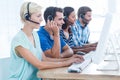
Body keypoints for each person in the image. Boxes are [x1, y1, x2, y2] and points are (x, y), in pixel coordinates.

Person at [8, 2, 84, 80]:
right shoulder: (19, 40)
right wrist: (66, 63)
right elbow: (39, 64)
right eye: (38, 16)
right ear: (27, 17)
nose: (41, 19)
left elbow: (44, 59)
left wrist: (70, 59)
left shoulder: (35, 35)